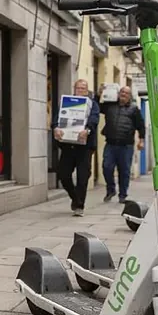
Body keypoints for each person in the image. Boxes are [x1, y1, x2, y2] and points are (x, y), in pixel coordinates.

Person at [53, 79, 99, 217]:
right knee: (63, 174)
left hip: (85, 146)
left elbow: (94, 119)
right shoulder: (65, 103)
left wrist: (87, 130)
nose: (80, 90)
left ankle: (80, 206)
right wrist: (56, 128)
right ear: (74, 89)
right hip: (68, 145)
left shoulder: (92, 104)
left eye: (83, 88)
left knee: (83, 176)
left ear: (87, 90)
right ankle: (74, 197)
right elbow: (56, 119)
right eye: (78, 88)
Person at [97, 85, 145, 203]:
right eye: (122, 92)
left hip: (126, 146)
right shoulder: (110, 106)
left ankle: (123, 195)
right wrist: (99, 94)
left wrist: (141, 140)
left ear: (130, 96)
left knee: (124, 171)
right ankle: (111, 190)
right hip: (110, 144)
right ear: (118, 94)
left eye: (126, 93)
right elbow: (97, 106)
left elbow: (141, 126)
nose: (123, 94)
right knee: (106, 167)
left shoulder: (134, 109)